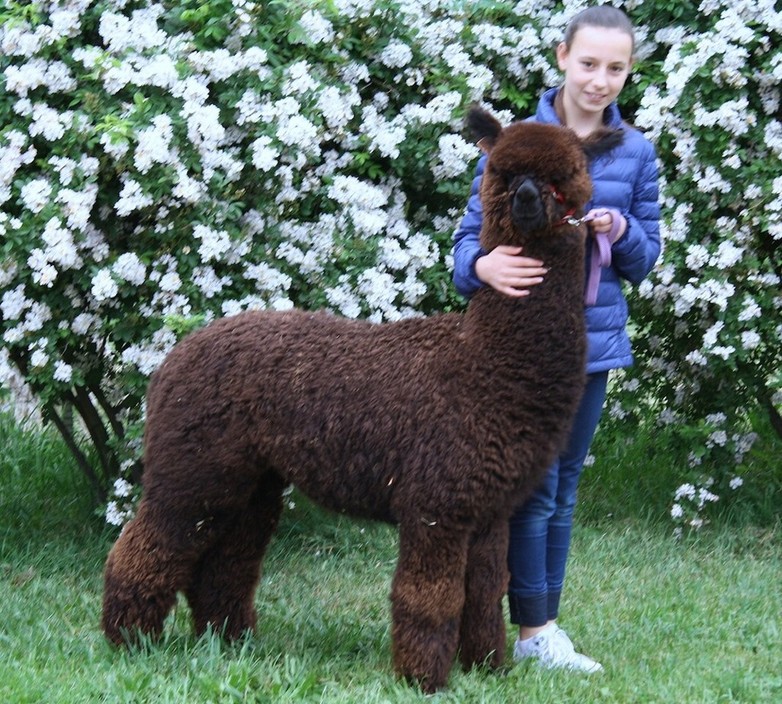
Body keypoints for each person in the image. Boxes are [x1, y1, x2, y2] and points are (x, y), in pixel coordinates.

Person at [452, 5, 660, 673]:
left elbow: (646, 258)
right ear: (563, 56)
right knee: (526, 487)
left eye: (616, 68)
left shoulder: (634, 152)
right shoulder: (516, 143)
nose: (600, 80)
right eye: (590, 63)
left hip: (588, 347)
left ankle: (540, 627)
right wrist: (478, 265)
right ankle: (524, 625)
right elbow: (466, 240)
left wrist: (619, 233)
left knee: (561, 485)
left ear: (629, 72)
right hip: (509, 353)